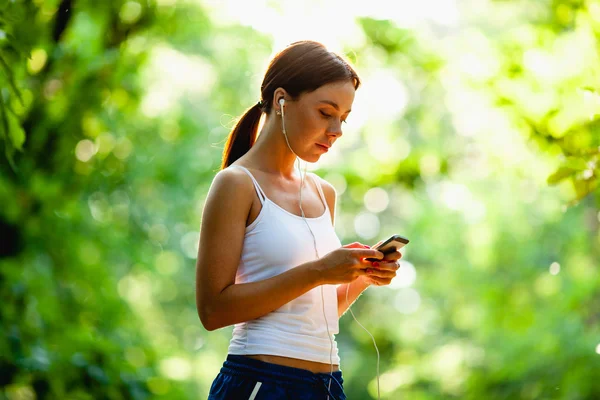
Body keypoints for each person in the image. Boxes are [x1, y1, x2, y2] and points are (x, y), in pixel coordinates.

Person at [196, 40, 403, 400]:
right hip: (261, 382)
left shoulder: (324, 193)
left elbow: (313, 311)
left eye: (344, 118)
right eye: (326, 113)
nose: (337, 130)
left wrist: (360, 277)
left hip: (326, 387)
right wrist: (321, 271)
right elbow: (213, 310)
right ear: (281, 101)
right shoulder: (236, 183)